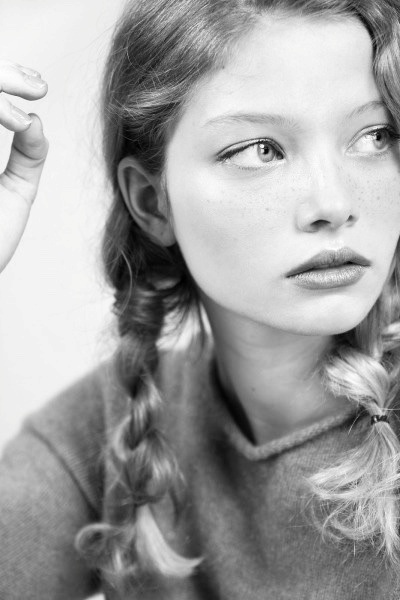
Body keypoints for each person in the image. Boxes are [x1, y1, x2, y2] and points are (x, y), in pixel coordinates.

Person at [2, 0, 400, 597]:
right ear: (152, 202)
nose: (333, 203)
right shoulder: (108, 425)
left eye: (375, 136)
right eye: (260, 149)